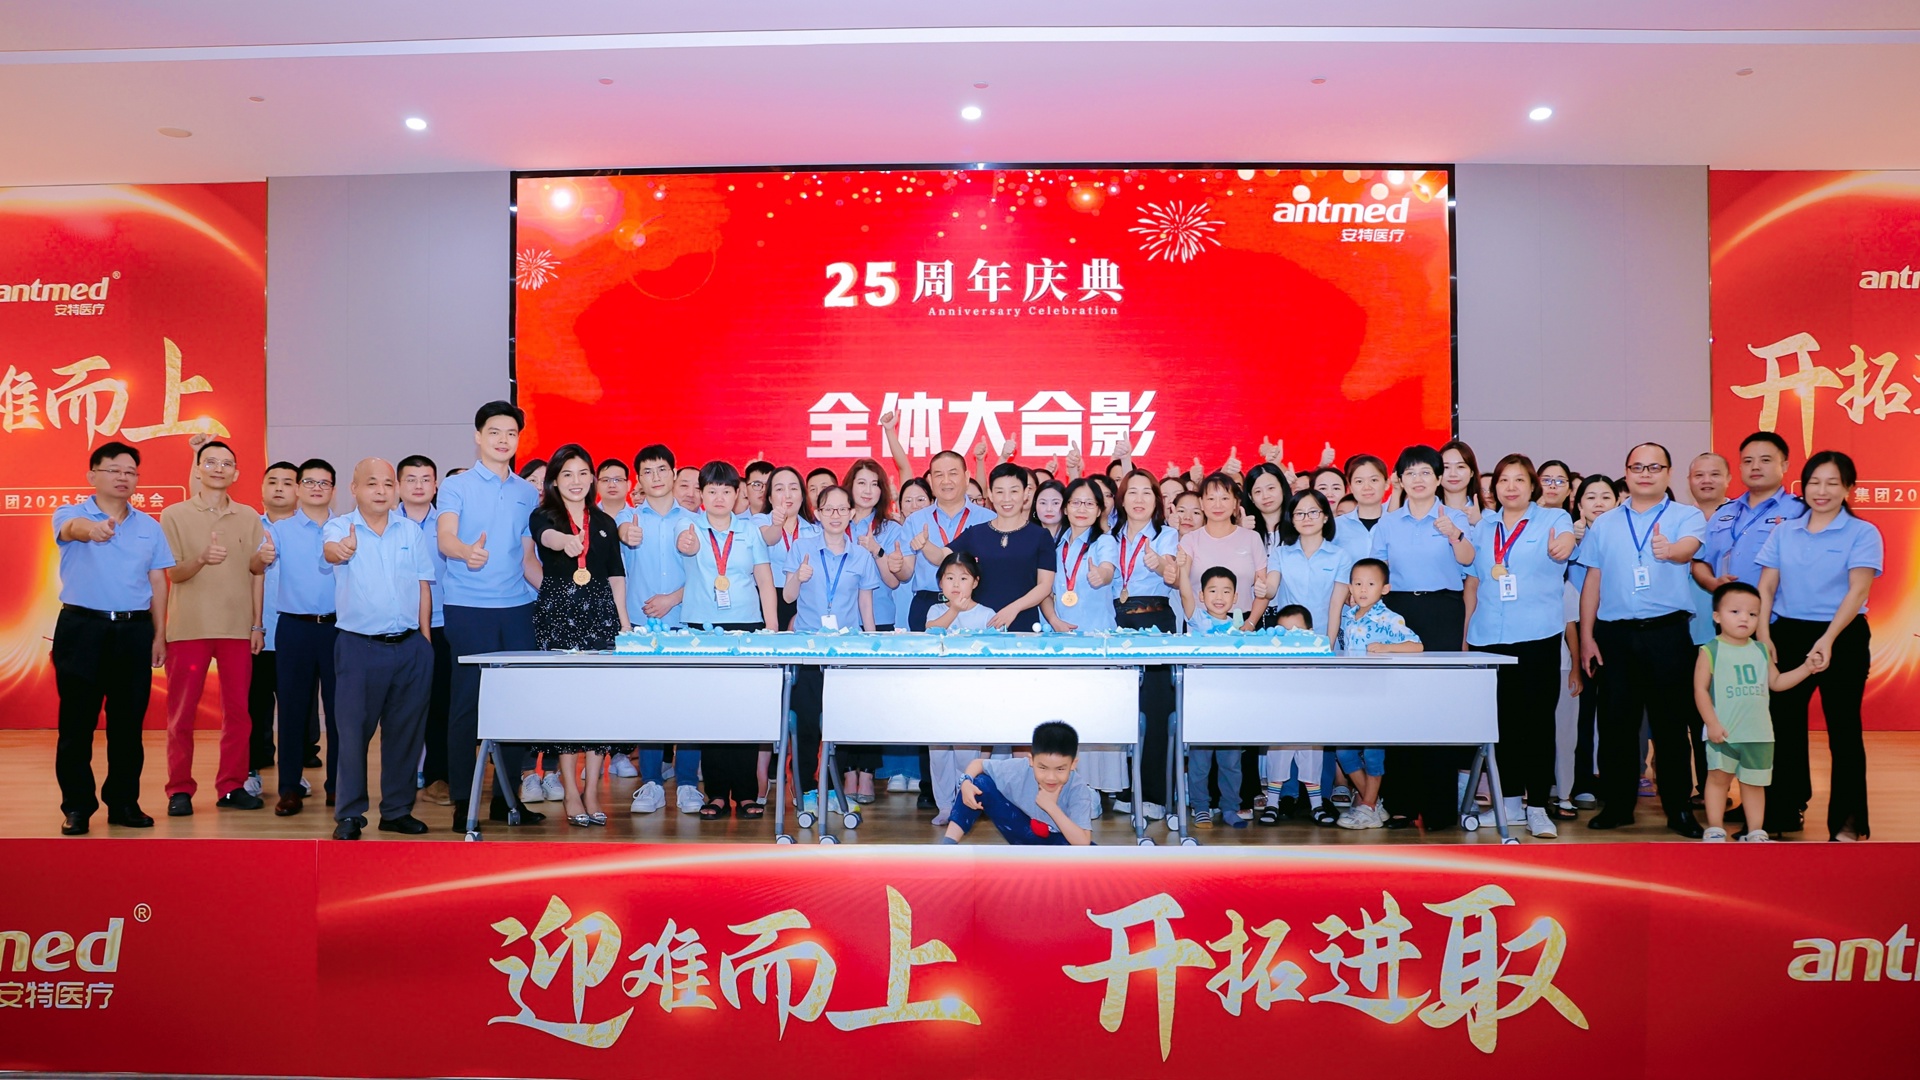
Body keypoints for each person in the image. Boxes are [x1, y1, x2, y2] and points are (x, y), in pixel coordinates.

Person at [1576, 442, 1709, 837]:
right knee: (1616, 725)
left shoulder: (1686, 515)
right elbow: (1593, 580)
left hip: (1667, 634)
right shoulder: (1606, 523)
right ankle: (1618, 806)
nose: (1645, 474)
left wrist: (1670, 551)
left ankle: (1678, 808)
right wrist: (1587, 637)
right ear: (1626, 473)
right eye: (1637, 467)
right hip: (1614, 635)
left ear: (1668, 473)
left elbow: (1687, 551)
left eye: (1654, 467)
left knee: (1671, 727)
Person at [1757, 450, 1882, 841]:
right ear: (1803, 486)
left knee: (1843, 730)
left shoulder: (1863, 533)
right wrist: (1764, 636)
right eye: (1814, 482)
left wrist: (1827, 639)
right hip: (1788, 634)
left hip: (1842, 636)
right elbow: (1766, 587)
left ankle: (1847, 824)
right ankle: (1782, 812)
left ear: (1849, 488)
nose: (1822, 491)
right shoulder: (1785, 531)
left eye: (1832, 483)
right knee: (1783, 727)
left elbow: (1857, 591)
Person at [52, 442, 175, 835]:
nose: (123, 478)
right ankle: (77, 807)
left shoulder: (149, 526)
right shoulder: (70, 513)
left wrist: (160, 634)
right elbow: (74, 530)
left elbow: (158, 581)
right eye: (114, 470)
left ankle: (123, 803)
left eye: (130, 472)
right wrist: (95, 530)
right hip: (82, 629)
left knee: (128, 726)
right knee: (77, 725)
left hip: (134, 631)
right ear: (92, 475)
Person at [437, 401, 545, 830]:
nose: (503, 440)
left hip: (517, 608)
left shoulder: (525, 492)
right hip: (468, 607)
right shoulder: (457, 486)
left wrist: (557, 594)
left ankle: (507, 799)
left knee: (515, 704)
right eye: (495, 432)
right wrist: (466, 552)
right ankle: (463, 802)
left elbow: (527, 556)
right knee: (467, 705)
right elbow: (445, 537)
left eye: (511, 433)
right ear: (478, 436)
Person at [320, 459, 439, 840]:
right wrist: (343, 550)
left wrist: (425, 642)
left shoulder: (410, 530)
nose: (381, 490)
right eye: (372, 483)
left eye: (388, 484)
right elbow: (331, 552)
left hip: (410, 647)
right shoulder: (340, 527)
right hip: (359, 647)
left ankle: (397, 811)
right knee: (353, 734)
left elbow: (423, 584)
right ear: (354, 488)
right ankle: (350, 814)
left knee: (405, 734)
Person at [1463, 454, 1577, 838]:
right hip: (1489, 638)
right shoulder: (1482, 527)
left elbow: (1565, 542)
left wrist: (1563, 545)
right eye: (1503, 480)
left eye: (1519, 480)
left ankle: (1538, 806)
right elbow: (1473, 578)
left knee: (1538, 723)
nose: (1510, 487)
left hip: (1537, 636)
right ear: (1493, 487)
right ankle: (1509, 803)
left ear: (1532, 486)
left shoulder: (1553, 519)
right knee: (1502, 724)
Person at [158, 439, 269, 816]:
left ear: (236, 473)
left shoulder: (249, 516)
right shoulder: (174, 515)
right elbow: (173, 573)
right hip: (189, 629)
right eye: (211, 462)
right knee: (182, 714)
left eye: (226, 463)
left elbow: (254, 571)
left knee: (238, 713)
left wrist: (257, 622)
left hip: (236, 629)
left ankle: (232, 786)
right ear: (198, 468)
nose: (219, 468)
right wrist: (201, 559)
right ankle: (179, 789)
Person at [527, 444, 632, 827]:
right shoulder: (544, 515)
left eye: (583, 473)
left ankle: (592, 791)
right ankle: (570, 790)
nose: (576, 481)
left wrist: (624, 622)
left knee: (600, 706)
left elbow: (616, 575)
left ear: (592, 479)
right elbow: (547, 538)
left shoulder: (604, 521)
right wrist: (566, 541)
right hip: (559, 616)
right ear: (555, 481)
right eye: (567, 474)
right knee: (567, 706)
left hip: (601, 617)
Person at [1370, 445, 1474, 831]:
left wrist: (1454, 534)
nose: (1418, 479)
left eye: (1426, 472)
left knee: (1439, 707)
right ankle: (1400, 803)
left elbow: (1469, 561)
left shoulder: (1456, 517)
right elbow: (1377, 571)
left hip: (1443, 611)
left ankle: (1439, 808)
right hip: (1398, 613)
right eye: (1410, 473)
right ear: (1399, 480)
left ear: (1438, 478)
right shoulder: (1388, 523)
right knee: (1398, 707)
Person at [676, 460, 777, 819]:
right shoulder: (689, 525)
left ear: (738, 494)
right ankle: (716, 793)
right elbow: (685, 546)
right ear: (701, 494)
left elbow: (765, 581)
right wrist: (688, 543)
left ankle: (746, 793)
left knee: (745, 710)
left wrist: (771, 631)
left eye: (726, 490)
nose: (719, 497)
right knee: (711, 711)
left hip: (746, 628)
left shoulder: (750, 531)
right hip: (701, 630)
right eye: (712, 490)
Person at [616, 444, 705, 815]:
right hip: (642, 627)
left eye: (662, 469)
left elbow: (705, 575)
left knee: (690, 705)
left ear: (674, 473)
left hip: (686, 622)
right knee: (648, 706)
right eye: (647, 471)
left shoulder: (694, 521)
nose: (655, 477)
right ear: (638, 479)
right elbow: (619, 548)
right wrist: (624, 533)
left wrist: (672, 598)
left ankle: (687, 784)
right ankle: (651, 782)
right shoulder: (628, 519)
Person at [784, 484, 882, 815]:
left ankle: (834, 791)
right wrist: (798, 577)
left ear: (852, 514)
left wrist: (872, 651)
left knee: (841, 723)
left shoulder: (861, 556)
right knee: (807, 724)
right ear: (818, 513)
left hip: (845, 653)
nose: (836, 515)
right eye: (828, 509)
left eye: (842, 509)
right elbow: (787, 597)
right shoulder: (802, 548)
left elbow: (866, 605)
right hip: (808, 651)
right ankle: (805, 791)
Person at [1696, 581, 1815, 842]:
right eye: (1735, 612)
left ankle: (1755, 831)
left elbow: (1777, 682)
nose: (1744, 619)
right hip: (1724, 733)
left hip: (1759, 735)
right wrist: (1712, 723)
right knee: (1718, 780)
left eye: (1752, 614)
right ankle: (1715, 828)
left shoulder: (1761, 650)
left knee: (1754, 784)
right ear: (1717, 616)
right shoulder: (1710, 650)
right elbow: (1701, 690)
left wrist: (1806, 669)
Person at [1110, 469, 1182, 819]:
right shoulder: (1109, 536)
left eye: (1147, 493)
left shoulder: (1166, 535)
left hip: (1155, 624)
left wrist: (1159, 565)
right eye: (1132, 492)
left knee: (1154, 709)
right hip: (1116, 625)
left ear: (1157, 501)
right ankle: (1125, 786)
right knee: (1121, 708)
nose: (1139, 499)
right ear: (1121, 499)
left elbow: (1171, 572)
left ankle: (1154, 793)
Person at [270, 458, 340, 816]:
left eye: (323, 483)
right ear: (298, 488)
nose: (316, 488)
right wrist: (258, 558)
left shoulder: (346, 528)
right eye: (309, 482)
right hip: (294, 628)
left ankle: (338, 787)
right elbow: (257, 566)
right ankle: (289, 788)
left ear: (333, 490)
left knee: (340, 712)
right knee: (293, 710)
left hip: (339, 629)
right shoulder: (279, 530)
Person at [1334, 559, 1422, 829]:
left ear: (1385, 588)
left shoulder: (1388, 618)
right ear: (1350, 587)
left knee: (1373, 754)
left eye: (1371, 584)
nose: (1363, 589)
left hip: (1377, 696)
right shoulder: (1349, 616)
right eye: (1358, 583)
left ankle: (1368, 806)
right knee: (1344, 751)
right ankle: (1373, 804)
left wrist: (1387, 647)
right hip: (1351, 695)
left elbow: (1417, 645)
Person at [397, 455, 454, 806]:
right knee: (401, 707)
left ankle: (438, 776)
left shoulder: (449, 523)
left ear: (436, 486)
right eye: (411, 479)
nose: (419, 485)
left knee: (441, 705)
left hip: (443, 624)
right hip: (398, 627)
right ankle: (401, 778)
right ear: (398, 485)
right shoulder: (385, 523)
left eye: (426, 479)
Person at [941, 721, 1095, 846]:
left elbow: (1082, 842)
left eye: (1060, 769)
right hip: (1022, 832)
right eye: (1042, 768)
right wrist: (965, 782)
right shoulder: (1019, 769)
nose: (1051, 777)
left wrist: (1051, 807)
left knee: (1095, 857)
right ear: (1031, 760)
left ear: (1073, 764)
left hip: (1058, 842)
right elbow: (978, 764)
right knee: (979, 784)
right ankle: (948, 846)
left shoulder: (1077, 788)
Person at [945, 463, 1059, 631]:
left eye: (1014, 491)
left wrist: (1014, 608)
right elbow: (942, 555)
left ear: (1026, 493)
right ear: (990, 494)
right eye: (999, 492)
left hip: (1023, 623)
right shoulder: (976, 533)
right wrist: (924, 545)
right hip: (980, 624)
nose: (1007, 499)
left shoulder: (1040, 536)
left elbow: (1044, 586)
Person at [245, 461, 299, 799]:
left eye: (287, 482)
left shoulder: (311, 529)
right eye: (272, 481)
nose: (279, 488)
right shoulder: (248, 526)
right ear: (262, 488)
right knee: (255, 705)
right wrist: (255, 625)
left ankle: (293, 773)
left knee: (296, 708)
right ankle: (252, 768)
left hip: (296, 633)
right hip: (258, 632)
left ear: (299, 490)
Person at [1177, 564, 1246, 828]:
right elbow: (1185, 595)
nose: (1219, 597)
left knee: (1231, 763)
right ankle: (1201, 807)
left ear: (1235, 597)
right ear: (1202, 595)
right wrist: (1182, 570)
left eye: (1226, 591)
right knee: (1199, 763)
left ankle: (1230, 807)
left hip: (1231, 704)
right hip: (1202, 703)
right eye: (1213, 590)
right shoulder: (1199, 621)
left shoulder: (1239, 628)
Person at [1564, 474, 1619, 807]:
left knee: (1615, 711)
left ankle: (1614, 781)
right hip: (1577, 630)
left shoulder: (1624, 537)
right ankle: (1581, 779)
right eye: (1591, 497)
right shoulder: (1568, 541)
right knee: (1582, 711)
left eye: (1606, 497)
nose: (1599, 503)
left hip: (1615, 628)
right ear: (1579, 504)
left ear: (1618, 502)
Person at [1695, 432, 1803, 591]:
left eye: (1765, 460)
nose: (1755, 467)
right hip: (1727, 604)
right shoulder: (1723, 513)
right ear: (1740, 467)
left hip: (1778, 606)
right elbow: (1700, 561)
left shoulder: (1800, 512)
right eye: (1748, 461)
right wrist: (1712, 583)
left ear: (1784, 465)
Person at [903, 451, 985, 630]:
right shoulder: (915, 520)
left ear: (967, 477)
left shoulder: (988, 519)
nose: (946, 481)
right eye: (939, 475)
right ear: (931, 480)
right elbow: (905, 574)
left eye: (953, 473)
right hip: (927, 603)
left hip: (974, 604)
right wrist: (896, 566)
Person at [1177, 472, 1271, 630]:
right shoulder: (1190, 540)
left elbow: (1263, 588)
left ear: (1236, 502)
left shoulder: (1252, 538)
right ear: (1201, 503)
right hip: (1202, 625)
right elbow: (1183, 586)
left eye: (1225, 498)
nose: (1218, 505)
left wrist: (1250, 622)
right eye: (1211, 499)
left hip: (1243, 624)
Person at [757, 465, 819, 631]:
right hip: (766, 599)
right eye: (779, 489)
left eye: (793, 488)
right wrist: (777, 524)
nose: (787, 495)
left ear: (802, 496)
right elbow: (769, 538)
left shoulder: (815, 531)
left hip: (804, 600)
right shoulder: (759, 521)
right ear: (770, 498)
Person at [1332, 454, 1390, 560]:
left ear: (1387, 483)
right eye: (1359, 481)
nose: (1367, 487)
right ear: (1350, 487)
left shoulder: (1397, 524)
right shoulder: (1336, 526)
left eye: (1374, 480)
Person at [1440, 439, 1487, 523]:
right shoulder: (1426, 515)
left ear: (1472, 472)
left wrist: (1479, 523)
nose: (1453, 474)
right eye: (1446, 467)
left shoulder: (1488, 517)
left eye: (1460, 467)